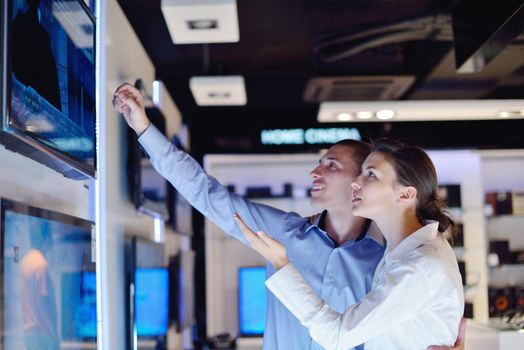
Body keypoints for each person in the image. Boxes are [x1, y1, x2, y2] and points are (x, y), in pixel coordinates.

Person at [112, 83, 464, 350]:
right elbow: (206, 193)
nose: (315, 172)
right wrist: (144, 129)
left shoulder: (390, 258)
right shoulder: (283, 232)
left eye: (332, 165)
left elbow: (419, 312)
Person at [234, 138, 465, 349]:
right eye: (361, 173)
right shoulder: (403, 250)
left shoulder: (418, 267)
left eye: (371, 175)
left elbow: (337, 337)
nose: (355, 182)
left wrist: (282, 265)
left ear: (405, 195)